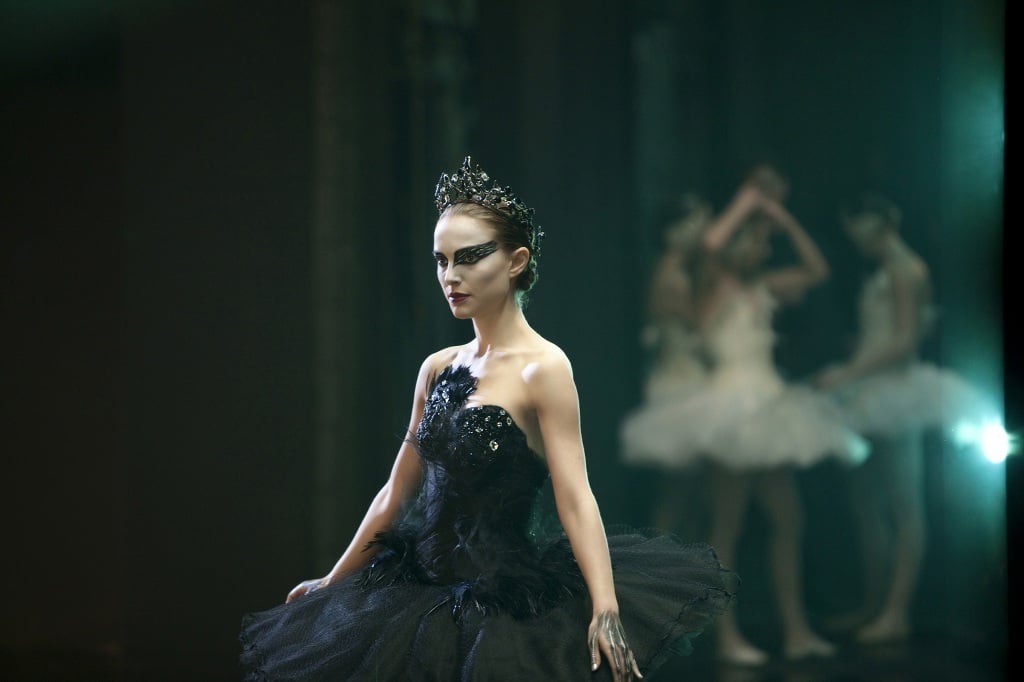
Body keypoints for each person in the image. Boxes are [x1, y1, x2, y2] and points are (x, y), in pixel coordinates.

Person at [239, 157, 736, 681]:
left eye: (469, 258)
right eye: (440, 260)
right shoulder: (437, 367)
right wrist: (333, 580)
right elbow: (396, 492)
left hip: (501, 607)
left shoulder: (544, 368)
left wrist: (606, 605)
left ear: (517, 260)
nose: (450, 276)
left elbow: (574, 494)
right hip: (412, 597)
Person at [652, 165, 869, 666]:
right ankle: (725, 637)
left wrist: (778, 216)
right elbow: (709, 246)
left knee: (788, 518)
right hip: (731, 406)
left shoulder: (764, 285)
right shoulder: (712, 279)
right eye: (752, 241)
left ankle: (796, 629)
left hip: (770, 405)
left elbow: (817, 271)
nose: (762, 249)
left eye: (763, 242)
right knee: (726, 522)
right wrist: (749, 203)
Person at [815, 192, 991, 644]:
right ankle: (875, 604)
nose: (854, 234)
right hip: (871, 388)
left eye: (858, 222)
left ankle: (896, 612)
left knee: (902, 501)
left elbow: (905, 340)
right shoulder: (886, 268)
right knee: (866, 500)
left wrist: (848, 373)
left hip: (897, 390)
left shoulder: (906, 269)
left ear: (881, 221)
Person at [619, 194, 713, 537]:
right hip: (681, 385)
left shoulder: (675, 272)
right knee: (677, 497)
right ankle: (657, 572)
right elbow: (698, 332)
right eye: (691, 223)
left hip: (683, 380)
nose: (699, 231)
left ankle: (673, 572)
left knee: (686, 496)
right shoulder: (672, 277)